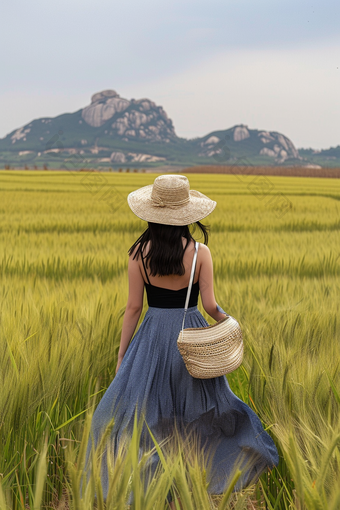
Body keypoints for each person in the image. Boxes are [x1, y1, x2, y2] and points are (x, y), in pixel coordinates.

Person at [86, 174, 279, 506]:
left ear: (151, 213)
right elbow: (210, 306)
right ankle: (191, 484)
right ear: (187, 215)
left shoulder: (137, 254)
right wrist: (228, 322)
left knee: (146, 419)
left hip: (151, 339)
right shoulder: (201, 253)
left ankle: (149, 491)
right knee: (197, 416)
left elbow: (133, 308)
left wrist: (123, 356)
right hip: (191, 340)